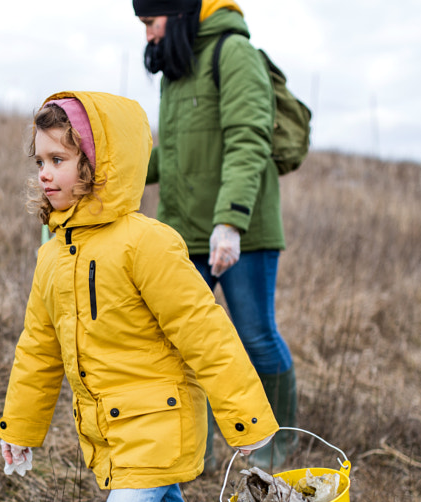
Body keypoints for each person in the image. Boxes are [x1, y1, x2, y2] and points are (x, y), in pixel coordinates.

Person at [0, 91, 278, 502]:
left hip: (161, 417)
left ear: (97, 165)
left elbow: (206, 332)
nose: (46, 173)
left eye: (60, 160)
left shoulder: (146, 242)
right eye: (40, 161)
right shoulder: (54, 255)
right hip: (113, 425)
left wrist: (246, 418)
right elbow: (38, 350)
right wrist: (20, 428)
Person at [135, 0, 297, 470]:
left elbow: (249, 138)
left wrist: (230, 222)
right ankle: (192, 451)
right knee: (181, 342)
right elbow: (170, 156)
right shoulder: (176, 68)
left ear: (178, 11)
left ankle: (275, 445)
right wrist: (103, 174)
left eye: (151, 21)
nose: (148, 34)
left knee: (255, 337)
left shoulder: (235, 53)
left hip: (243, 230)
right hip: (185, 233)